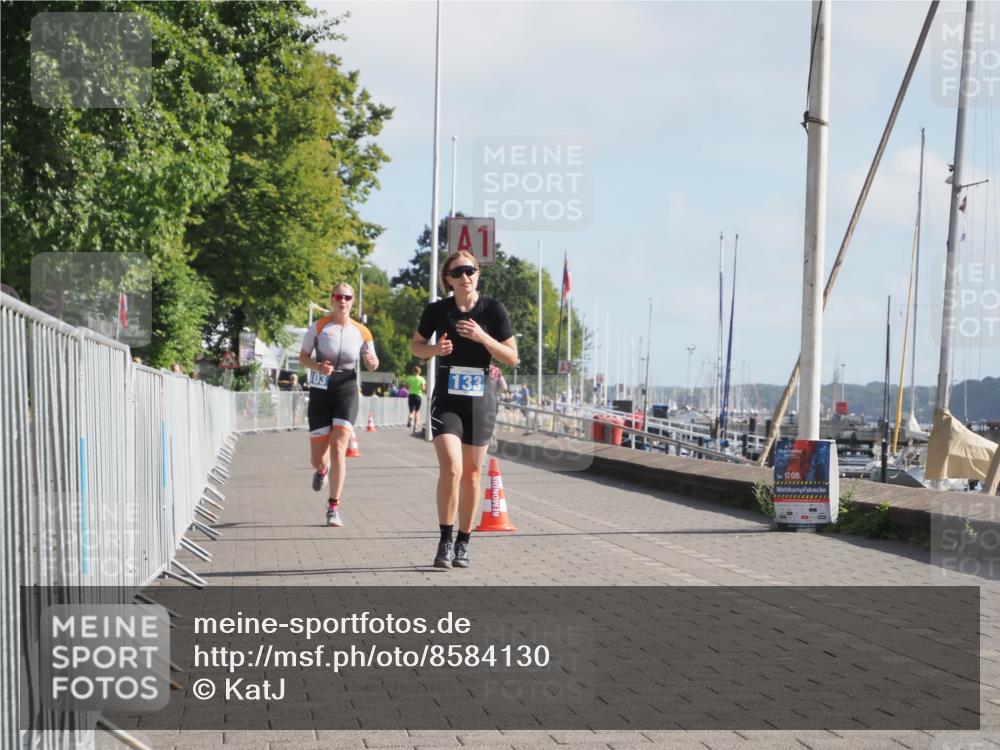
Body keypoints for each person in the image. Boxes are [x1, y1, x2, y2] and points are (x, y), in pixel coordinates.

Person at [410, 250, 517, 569]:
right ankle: (444, 540)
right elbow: (415, 347)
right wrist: (433, 350)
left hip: (481, 396)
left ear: (478, 275)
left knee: (472, 474)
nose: (465, 276)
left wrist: (483, 336)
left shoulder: (493, 310)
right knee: (452, 468)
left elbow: (512, 357)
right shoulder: (437, 311)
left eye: (470, 270)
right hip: (447, 395)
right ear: (449, 279)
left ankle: (463, 542)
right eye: (457, 273)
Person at [299, 282, 378, 527]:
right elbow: (302, 357)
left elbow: (372, 364)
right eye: (338, 296)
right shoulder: (320, 326)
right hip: (321, 388)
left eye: (347, 297)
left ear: (352, 301)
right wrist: (317, 366)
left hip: (346, 388)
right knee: (318, 458)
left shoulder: (362, 331)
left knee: (339, 447)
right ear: (332, 299)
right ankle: (322, 470)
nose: (342, 301)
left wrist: (371, 361)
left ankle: (333, 507)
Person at [404, 364, 427, 433]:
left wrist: (411, 388)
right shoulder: (421, 379)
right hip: (418, 396)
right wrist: (423, 388)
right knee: (417, 411)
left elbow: (407, 387)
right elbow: (423, 388)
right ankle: (415, 426)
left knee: (411, 411)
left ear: (413, 371)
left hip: (411, 395)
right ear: (419, 371)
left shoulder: (409, 378)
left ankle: (410, 416)